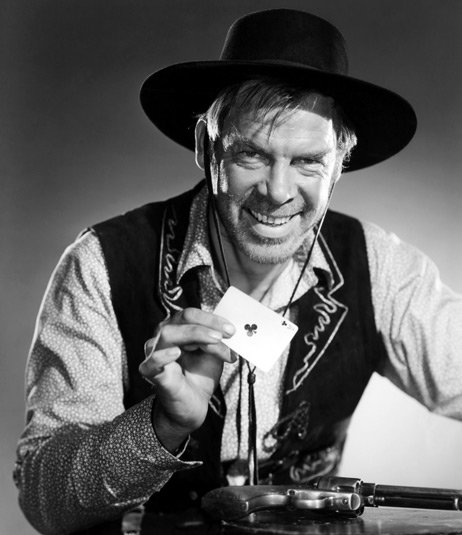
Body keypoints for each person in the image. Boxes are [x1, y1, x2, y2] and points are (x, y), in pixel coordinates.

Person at [14, 8, 462, 535]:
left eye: (308, 161)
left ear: (340, 163)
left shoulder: (380, 267)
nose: (277, 191)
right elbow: (44, 503)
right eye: (251, 155)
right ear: (207, 148)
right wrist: (161, 426)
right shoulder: (101, 264)